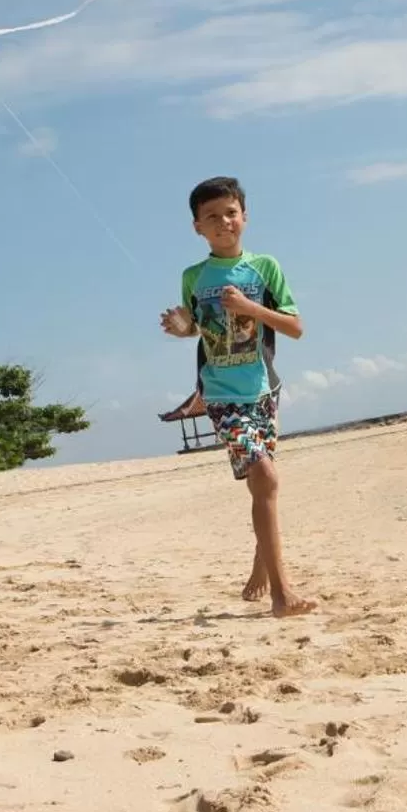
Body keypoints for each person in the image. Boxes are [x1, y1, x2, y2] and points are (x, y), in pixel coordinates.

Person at [161, 176, 316, 617]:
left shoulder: (265, 267)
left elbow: (295, 327)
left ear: (244, 217)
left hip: (264, 389)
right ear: (197, 227)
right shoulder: (194, 276)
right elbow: (198, 329)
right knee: (265, 477)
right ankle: (283, 595)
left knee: (259, 485)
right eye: (211, 216)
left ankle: (260, 569)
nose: (223, 222)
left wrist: (252, 309)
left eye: (230, 212)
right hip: (221, 394)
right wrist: (181, 328)